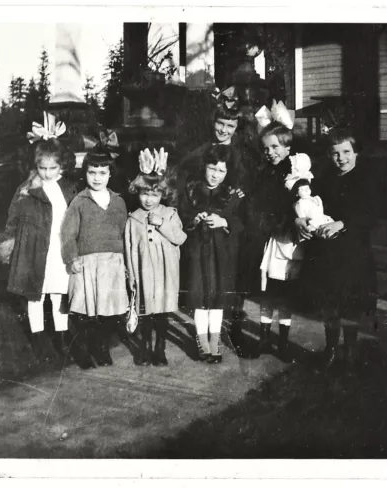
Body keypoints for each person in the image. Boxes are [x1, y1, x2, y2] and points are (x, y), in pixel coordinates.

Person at [296, 128, 377, 371]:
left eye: (346, 152)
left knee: (351, 302)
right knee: (329, 300)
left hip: (353, 251)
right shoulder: (325, 178)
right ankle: (331, 348)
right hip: (327, 252)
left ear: (356, 153)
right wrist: (300, 219)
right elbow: (309, 204)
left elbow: (371, 213)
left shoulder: (366, 179)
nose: (341, 158)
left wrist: (342, 223)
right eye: (335, 153)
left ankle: (350, 349)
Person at [1, 113, 79, 359]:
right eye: (42, 168)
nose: (46, 173)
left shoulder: (68, 188)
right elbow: (13, 216)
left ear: (62, 165)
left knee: (60, 294)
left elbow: (76, 216)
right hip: (34, 248)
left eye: (52, 168)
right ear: (36, 166)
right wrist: (9, 240)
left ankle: (63, 339)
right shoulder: (27, 188)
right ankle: (38, 342)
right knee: (36, 295)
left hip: (59, 249)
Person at [244, 112, 309, 359]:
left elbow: (297, 203)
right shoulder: (265, 174)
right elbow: (258, 203)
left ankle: (281, 342)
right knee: (267, 292)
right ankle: (263, 339)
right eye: (266, 148)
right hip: (269, 240)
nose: (271, 152)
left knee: (284, 294)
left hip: (288, 240)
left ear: (288, 147)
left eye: (275, 147)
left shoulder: (294, 173)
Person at [60, 142, 130, 369]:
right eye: (92, 172)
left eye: (102, 173)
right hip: (88, 263)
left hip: (112, 263)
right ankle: (86, 349)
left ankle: (101, 347)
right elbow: (68, 234)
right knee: (88, 311)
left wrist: (126, 262)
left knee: (109, 311)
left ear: (110, 174)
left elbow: (123, 232)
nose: (97, 178)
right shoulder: (79, 202)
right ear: (85, 174)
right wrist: (72, 257)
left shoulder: (118, 201)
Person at [178, 144, 244, 364]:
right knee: (199, 297)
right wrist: (193, 221)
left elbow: (242, 221)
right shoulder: (191, 190)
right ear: (203, 166)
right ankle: (202, 341)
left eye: (221, 171)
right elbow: (181, 216)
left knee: (217, 299)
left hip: (221, 255)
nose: (216, 175)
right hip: (198, 254)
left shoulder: (232, 195)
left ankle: (214, 341)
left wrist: (224, 221)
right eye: (212, 168)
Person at [125, 148, 187, 366]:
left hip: (165, 274)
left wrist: (162, 225)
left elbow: (180, 238)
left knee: (161, 313)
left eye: (154, 194)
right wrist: (132, 275)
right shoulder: (133, 219)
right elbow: (131, 248)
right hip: (144, 274)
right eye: (144, 194)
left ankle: (160, 348)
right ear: (137, 191)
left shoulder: (170, 214)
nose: (149, 199)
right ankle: (145, 347)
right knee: (146, 314)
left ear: (162, 194)